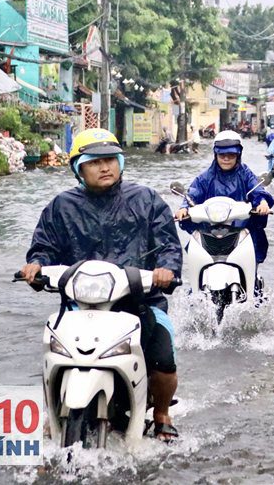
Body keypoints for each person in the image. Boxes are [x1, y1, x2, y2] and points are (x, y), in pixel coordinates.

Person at [20, 128, 183, 442]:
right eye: (95, 161)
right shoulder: (61, 206)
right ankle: (52, 411)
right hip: (78, 305)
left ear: (120, 162)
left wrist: (167, 270)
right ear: (79, 169)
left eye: (110, 159)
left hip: (140, 301)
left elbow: (168, 245)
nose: (105, 167)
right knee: (53, 353)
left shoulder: (146, 200)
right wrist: (36, 265)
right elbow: (44, 246)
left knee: (163, 358)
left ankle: (162, 414)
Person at [174, 130, 274, 294]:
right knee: (194, 285)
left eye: (230, 155)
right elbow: (192, 194)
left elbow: (257, 190)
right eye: (222, 155)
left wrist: (262, 203)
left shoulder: (245, 174)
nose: (226, 159)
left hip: (241, 230)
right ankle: (196, 296)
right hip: (210, 232)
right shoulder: (205, 177)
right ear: (215, 155)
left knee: (253, 273)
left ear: (238, 154)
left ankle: (253, 293)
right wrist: (184, 208)